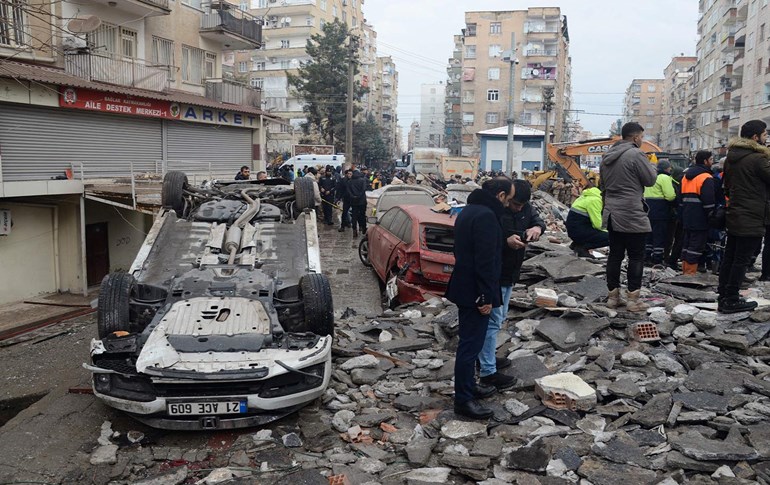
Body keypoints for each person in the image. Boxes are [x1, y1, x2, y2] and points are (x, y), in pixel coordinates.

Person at [445, 178, 516, 420]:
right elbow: (486, 261)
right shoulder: (486, 217)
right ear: (500, 195)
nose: (508, 204)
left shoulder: (469, 211)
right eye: (508, 198)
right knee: (469, 347)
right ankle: (463, 400)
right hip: (475, 291)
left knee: (470, 344)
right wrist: (485, 296)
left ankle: (470, 386)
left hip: (465, 287)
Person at [479, 180, 544, 391]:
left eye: (521, 205)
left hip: (511, 273)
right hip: (495, 274)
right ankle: (487, 370)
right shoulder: (495, 212)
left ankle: (486, 358)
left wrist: (536, 228)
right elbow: (487, 243)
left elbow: (538, 220)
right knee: (493, 321)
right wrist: (506, 241)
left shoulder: (525, 208)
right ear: (505, 197)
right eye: (514, 203)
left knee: (499, 319)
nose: (517, 208)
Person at [600, 122, 657, 312]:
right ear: (635, 137)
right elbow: (650, 180)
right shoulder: (636, 154)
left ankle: (613, 298)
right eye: (641, 136)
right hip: (631, 213)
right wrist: (653, 166)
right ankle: (633, 300)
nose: (642, 140)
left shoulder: (606, 157)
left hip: (611, 213)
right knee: (636, 256)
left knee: (615, 255)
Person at [718, 120, 770, 313]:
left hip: (736, 213)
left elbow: (727, 186)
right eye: (765, 135)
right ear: (755, 137)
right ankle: (731, 299)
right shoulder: (758, 159)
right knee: (741, 259)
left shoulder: (732, 157)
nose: (766, 139)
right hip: (753, 215)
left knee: (730, 257)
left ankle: (724, 296)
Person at [680, 151, 716, 275]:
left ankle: (685, 271)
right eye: (711, 159)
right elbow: (709, 201)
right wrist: (712, 216)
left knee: (687, 244)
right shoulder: (706, 177)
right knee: (696, 246)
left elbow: (680, 198)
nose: (712, 162)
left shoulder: (685, 176)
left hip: (687, 215)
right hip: (700, 218)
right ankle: (690, 274)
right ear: (705, 161)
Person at [643, 160, 677, 265]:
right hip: (661, 210)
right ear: (667, 168)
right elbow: (670, 196)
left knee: (649, 235)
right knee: (659, 236)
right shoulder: (665, 178)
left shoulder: (650, 177)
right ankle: (657, 259)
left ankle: (646, 257)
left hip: (648, 210)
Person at [566, 185, 609, 257]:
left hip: (574, 231)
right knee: (612, 237)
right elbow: (598, 225)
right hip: (578, 232)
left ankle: (577, 244)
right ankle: (583, 248)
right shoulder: (595, 200)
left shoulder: (586, 196)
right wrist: (609, 231)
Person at [347, 170, 368, 238]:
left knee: (354, 216)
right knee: (362, 215)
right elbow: (364, 189)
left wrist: (353, 196)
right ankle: (363, 228)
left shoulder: (350, 181)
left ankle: (354, 229)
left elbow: (348, 190)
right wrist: (359, 196)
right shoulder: (362, 180)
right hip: (362, 201)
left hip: (353, 201)